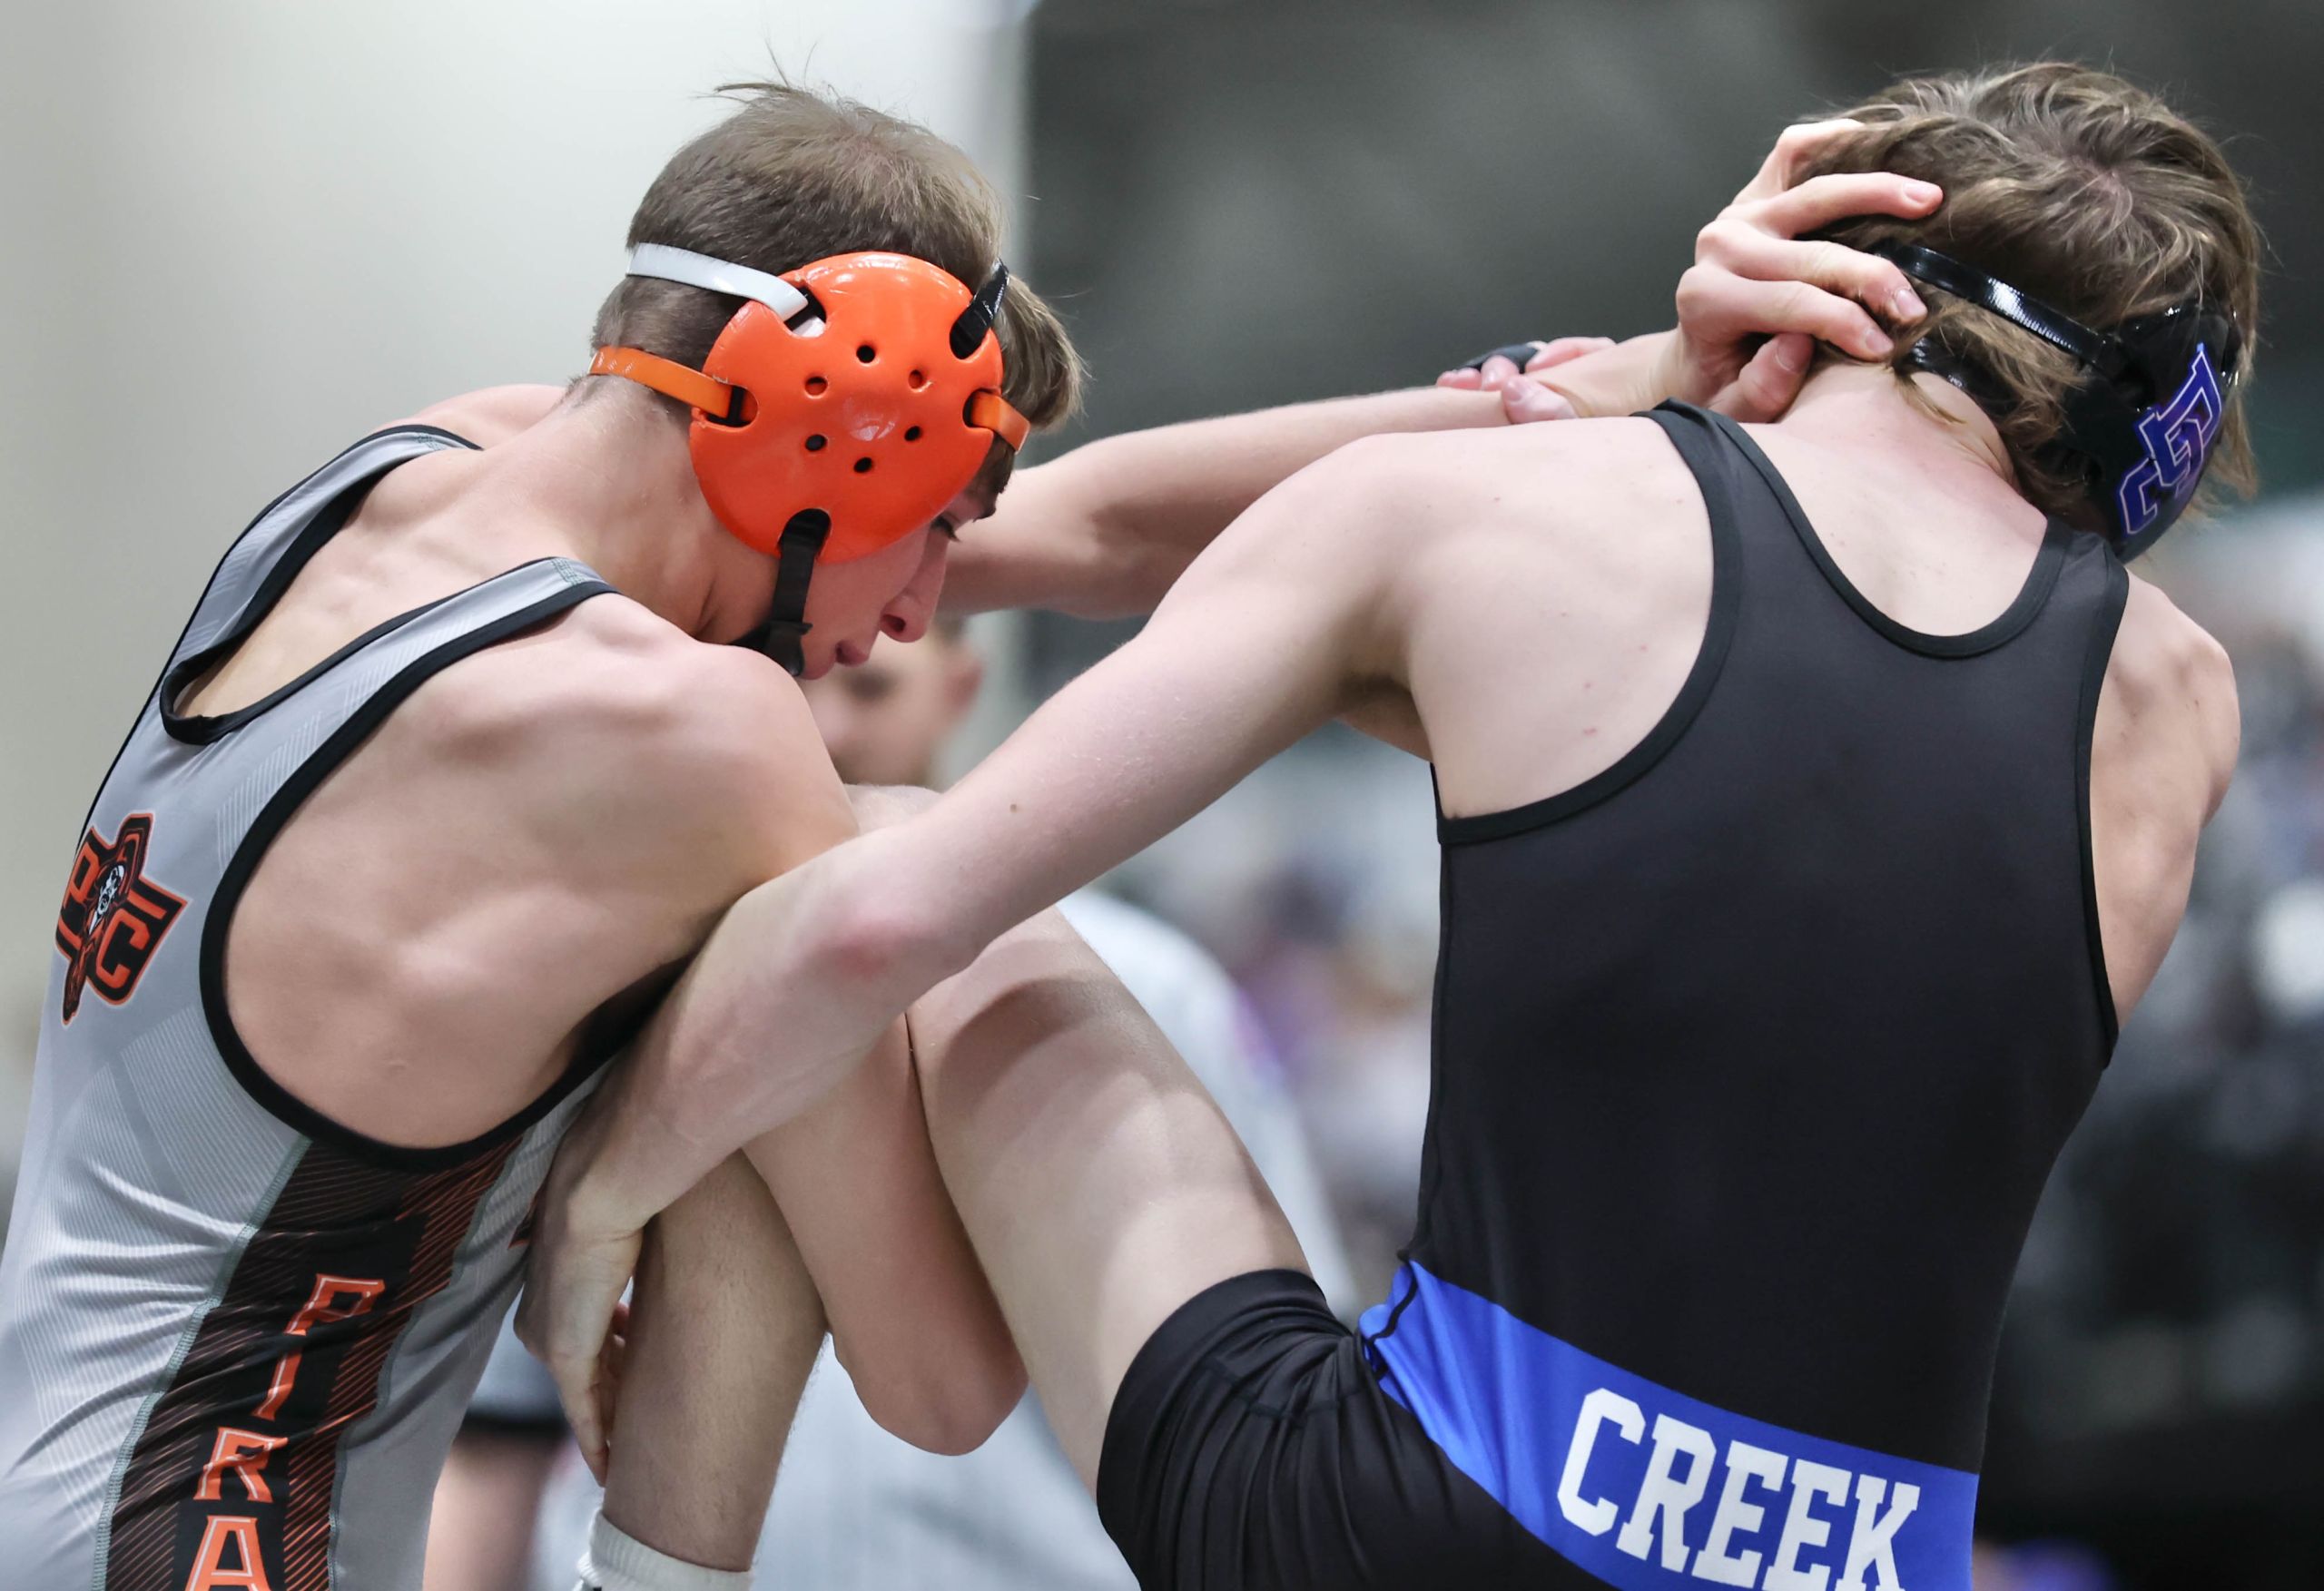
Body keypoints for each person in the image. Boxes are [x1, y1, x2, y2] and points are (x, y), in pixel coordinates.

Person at [0, 73, 1911, 1591]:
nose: (923, 611)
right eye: (930, 529)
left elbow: (1102, 528)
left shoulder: (406, 478)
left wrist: (1609, 391)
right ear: (820, 424)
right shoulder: (694, 737)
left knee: (789, 952)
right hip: (209, 1545)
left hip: (68, 1481)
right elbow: (931, 1377)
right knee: (860, 907)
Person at [525, 64, 2255, 1591]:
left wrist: (605, 1189)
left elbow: (878, 915)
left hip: (1385, 1533)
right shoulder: (2178, 708)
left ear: (1806, 261)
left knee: (846, 846)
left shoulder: (1497, 521)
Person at [427, 622, 1358, 1591]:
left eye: (870, 688)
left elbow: (1232, 1393)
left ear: (960, 686)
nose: (824, 725)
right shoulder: (608, 978)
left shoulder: (1145, 987)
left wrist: (609, 1186)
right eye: (786, 679)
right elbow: (506, 1413)